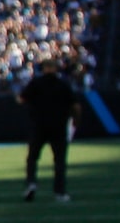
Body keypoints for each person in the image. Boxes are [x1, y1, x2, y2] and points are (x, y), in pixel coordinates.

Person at [18, 54, 80, 203]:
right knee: (59, 161)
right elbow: (76, 106)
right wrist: (75, 122)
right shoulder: (63, 84)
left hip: (39, 125)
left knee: (32, 158)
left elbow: (21, 99)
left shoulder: (36, 83)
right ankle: (60, 192)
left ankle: (31, 183)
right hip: (58, 126)